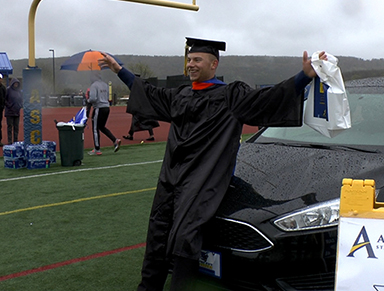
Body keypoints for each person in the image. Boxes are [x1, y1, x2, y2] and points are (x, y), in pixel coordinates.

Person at [98, 37, 327, 291]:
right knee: (158, 233)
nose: (191, 65)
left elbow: (268, 97)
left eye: (197, 60)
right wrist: (120, 70)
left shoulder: (231, 96)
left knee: (185, 237)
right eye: (188, 60)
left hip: (203, 178)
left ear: (213, 64)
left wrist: (303, 77)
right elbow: (149, 93)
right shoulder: (181, 95)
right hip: (170, 177)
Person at [87, 71, 121, 155]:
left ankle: (97, 149)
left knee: (95, 128)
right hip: (106, 107)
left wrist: (88, 100)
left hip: (99, 108)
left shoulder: (94, 85)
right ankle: (115, 140)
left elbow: (93, 99)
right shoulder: (105, 85)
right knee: (102, 127)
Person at [4, 77, 23, 145]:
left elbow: (21, 99)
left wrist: (20, 105)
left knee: (16, 127)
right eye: (15, 83)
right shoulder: (8, 90)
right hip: (9, 112)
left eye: (17, 83)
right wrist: (9, 106)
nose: (16, 84)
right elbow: (4, 99)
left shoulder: (19, 91)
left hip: (17, 112)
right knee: (10, 127)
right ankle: (9, 141)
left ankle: (15, 140)